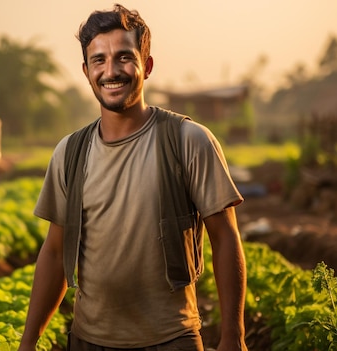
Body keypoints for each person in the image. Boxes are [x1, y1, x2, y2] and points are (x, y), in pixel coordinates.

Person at [18, 4, 248, 351]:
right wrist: (28, 341)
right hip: (88, 341)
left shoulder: (188, 141)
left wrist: (234, 337)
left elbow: (225, 237)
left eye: (124, 57)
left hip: (172, 339)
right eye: (99, 60)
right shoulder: (70, 153)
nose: (111, 71)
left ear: (147, 66)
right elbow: (53, 253)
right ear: (86, 71)